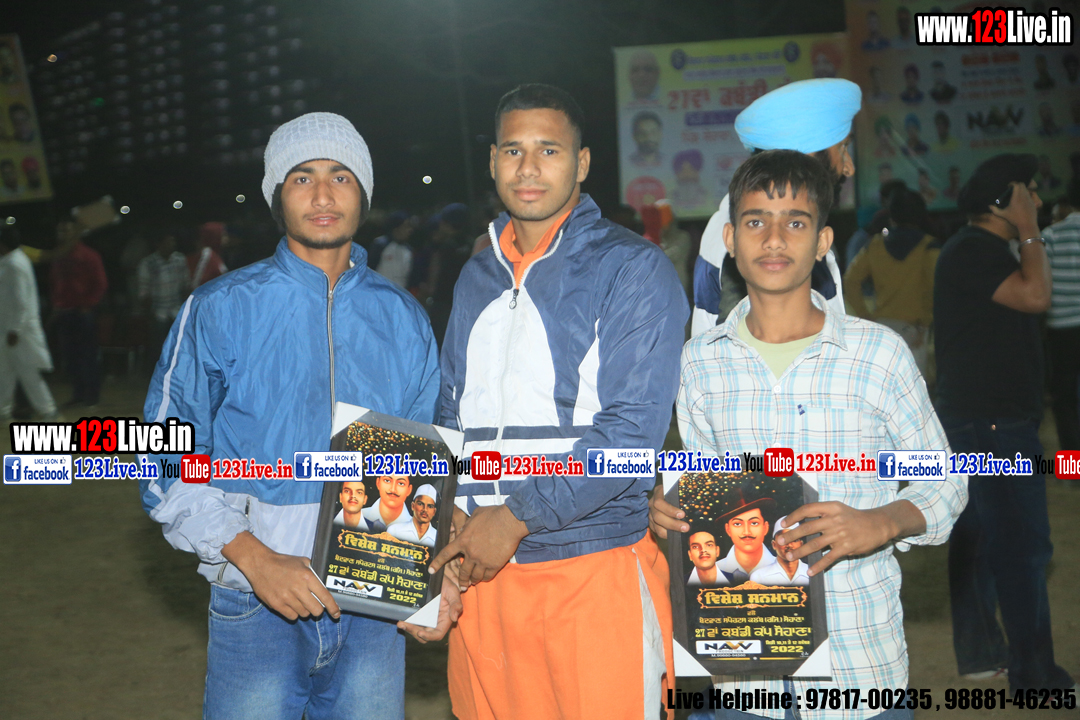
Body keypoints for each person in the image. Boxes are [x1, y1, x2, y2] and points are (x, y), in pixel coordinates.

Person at [138, 112, 447, 719]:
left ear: (364, 195)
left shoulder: (404, 317)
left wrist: (429, 574)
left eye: (341, 177)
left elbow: (421, 465)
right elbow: (159, 456)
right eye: (303, 178)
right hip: (255, 602)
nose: (323, 195)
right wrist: (253, 556)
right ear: (277, 196)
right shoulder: (219, 307)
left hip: (373, 607)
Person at [652, 150, 967, 720]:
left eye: (795, 222)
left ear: (823, 241)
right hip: (748, 673)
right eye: (756, 221)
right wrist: (672, 512)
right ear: (730, 238)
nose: (774, 238)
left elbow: (946, 484)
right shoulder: (699, 363)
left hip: (859, 667)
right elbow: (707, 492)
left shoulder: (878, 355)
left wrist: (881, 521)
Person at [433, 84, 687, 720]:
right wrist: (445, 515)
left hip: (590, 570)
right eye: (513, 150)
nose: (528, 167)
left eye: (549, 150)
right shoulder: (475, 276)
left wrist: (516, 518)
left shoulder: (631, 268)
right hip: (482, 572)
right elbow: (450, 412)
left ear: (582, 162)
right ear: (492, 161)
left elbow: (631, 438)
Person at [935, 153, 1072, 692]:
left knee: (981, 541)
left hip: (982, 421)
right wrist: (1031, 228)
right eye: (1027, 191)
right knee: (1022, 549)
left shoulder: (974, 250)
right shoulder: (975, 250)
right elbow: (1036, 296)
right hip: (991, 425)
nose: (1036, 200)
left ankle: (982, 653)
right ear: (1001, 201)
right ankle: (1036, 677)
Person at [692, 78, 860, 336]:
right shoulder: (750, 240)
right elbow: (752, 345)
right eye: (843, 147)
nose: (848, 167)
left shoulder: (753, 222)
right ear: (808, 153)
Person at [844, 189, 940, 376]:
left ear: (891, 215)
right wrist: (925, 324)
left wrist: (865, 316)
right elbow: (935, 289)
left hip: (882, 329)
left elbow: (850, 280)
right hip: (916, 330)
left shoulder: (875, 244)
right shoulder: (930, 247)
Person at [0, 226, 59, 421]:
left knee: (27, 372)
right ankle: (3, 411)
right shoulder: (11, 261)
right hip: (8, 328)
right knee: (5, 372)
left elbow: (21, 302)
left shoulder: (14, 264)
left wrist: (15, 330)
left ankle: (48, 411)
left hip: (19, 331)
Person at [49, 220, 107, 408]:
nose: (62, 234)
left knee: (87, 355)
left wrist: (88, 304)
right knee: (70, 355)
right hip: (64, 311)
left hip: (83, 311)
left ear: (76, 232)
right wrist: (56, 304)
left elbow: (100, 283)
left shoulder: (88, 255)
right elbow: (56, 282)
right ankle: (78, 394)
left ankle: (92, 396)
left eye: (66, 230)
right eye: (60, 231)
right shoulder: (59, 256)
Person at [1044, 179, 1080, 450]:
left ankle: (1072, 465)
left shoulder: (1051, 235)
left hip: (1062, 331)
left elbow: (1041, 284)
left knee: (1064, 398)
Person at [137, 229, 190, 362]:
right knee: (159, 348)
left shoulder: (179, 260)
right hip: (158, 313)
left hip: (176, 310)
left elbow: (186, 285)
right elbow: (144, 292)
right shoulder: (148, 263)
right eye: (168, 242)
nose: (172, 245)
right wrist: (149, 314)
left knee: (179, 348)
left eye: (172, 242)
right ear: (159, 244)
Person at [715, 499, 775, 586]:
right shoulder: (714, 571)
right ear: (728, 530)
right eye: (737, 524)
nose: (746, 532)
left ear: (765, 528)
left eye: (754, 523)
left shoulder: (784, 569)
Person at [749, 517, 810, 587]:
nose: (789, 545)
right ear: (774, 545)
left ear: (801, 544)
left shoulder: (811, 573)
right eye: (784, 540)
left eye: (794, 540)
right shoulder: (759, 577)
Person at [372, 212, 414, 289]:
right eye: (406, 226)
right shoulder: (381, 245)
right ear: (396, 228)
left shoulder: (408, 251)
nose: (409, 230)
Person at [188, 221, 230, 289]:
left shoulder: (215, 255)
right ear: (214, 237)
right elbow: (195, 284)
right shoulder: (207, 256)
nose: (226, 239)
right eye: (223, 235)